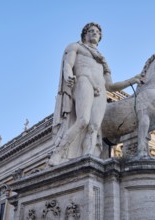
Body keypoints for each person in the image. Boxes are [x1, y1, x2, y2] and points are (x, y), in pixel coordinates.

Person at [50, 22, 142, 165]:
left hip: (100, 90)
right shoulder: (76, 47)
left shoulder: (102, 61)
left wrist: (132, 80)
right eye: (91, 31)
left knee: (93, 127)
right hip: (83, 80)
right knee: (83, 120)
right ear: (85, 34)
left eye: (98, 32)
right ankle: (59, 152)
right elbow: (68, 64)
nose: (95, 33)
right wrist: (68, 76)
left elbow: (110, 86)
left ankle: (87, 159)